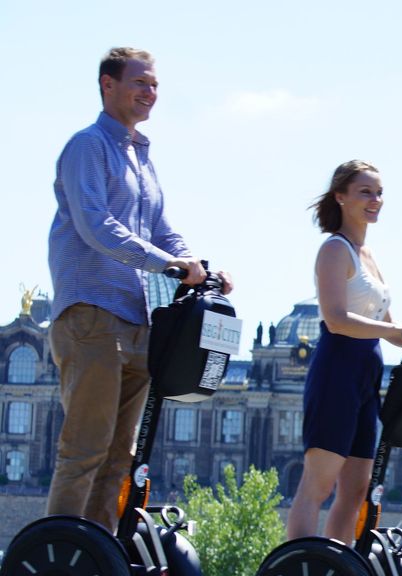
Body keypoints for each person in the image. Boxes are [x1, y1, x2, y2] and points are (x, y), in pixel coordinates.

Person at [46, 47, 232, 532]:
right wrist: (167, 264)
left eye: (154, 85)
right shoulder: (87, 146)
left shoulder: (142, 158)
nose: (150, 93)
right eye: (140, 83)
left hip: (135, 320)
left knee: (118, 459)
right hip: (91, 314)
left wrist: (199, 267)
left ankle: (98, 555)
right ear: (107, 85)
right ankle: (61, 552)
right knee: (85, 448)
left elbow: (163, 231)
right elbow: (96, 226)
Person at [286, 160, 402, 544]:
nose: (375, 200)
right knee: (318, 485)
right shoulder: (334, 250)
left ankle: (339, 561)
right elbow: (337, 319)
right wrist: (397, 330)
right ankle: (296, 563)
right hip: (337, 370)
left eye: (378, 193)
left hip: (366, 376)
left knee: (356, 490)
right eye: (365, 192)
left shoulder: (368, 255)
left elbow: (388, 327)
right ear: (340, 197)